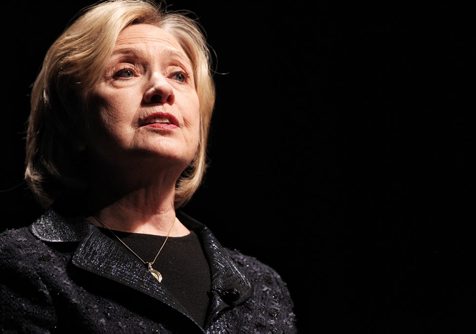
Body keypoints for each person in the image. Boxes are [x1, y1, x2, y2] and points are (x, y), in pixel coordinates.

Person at [0, 0, 297, 332]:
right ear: (72, 119)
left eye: (179, 75)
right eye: (125, 71)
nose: (162, 88)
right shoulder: (21, 266)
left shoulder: (261, 286)